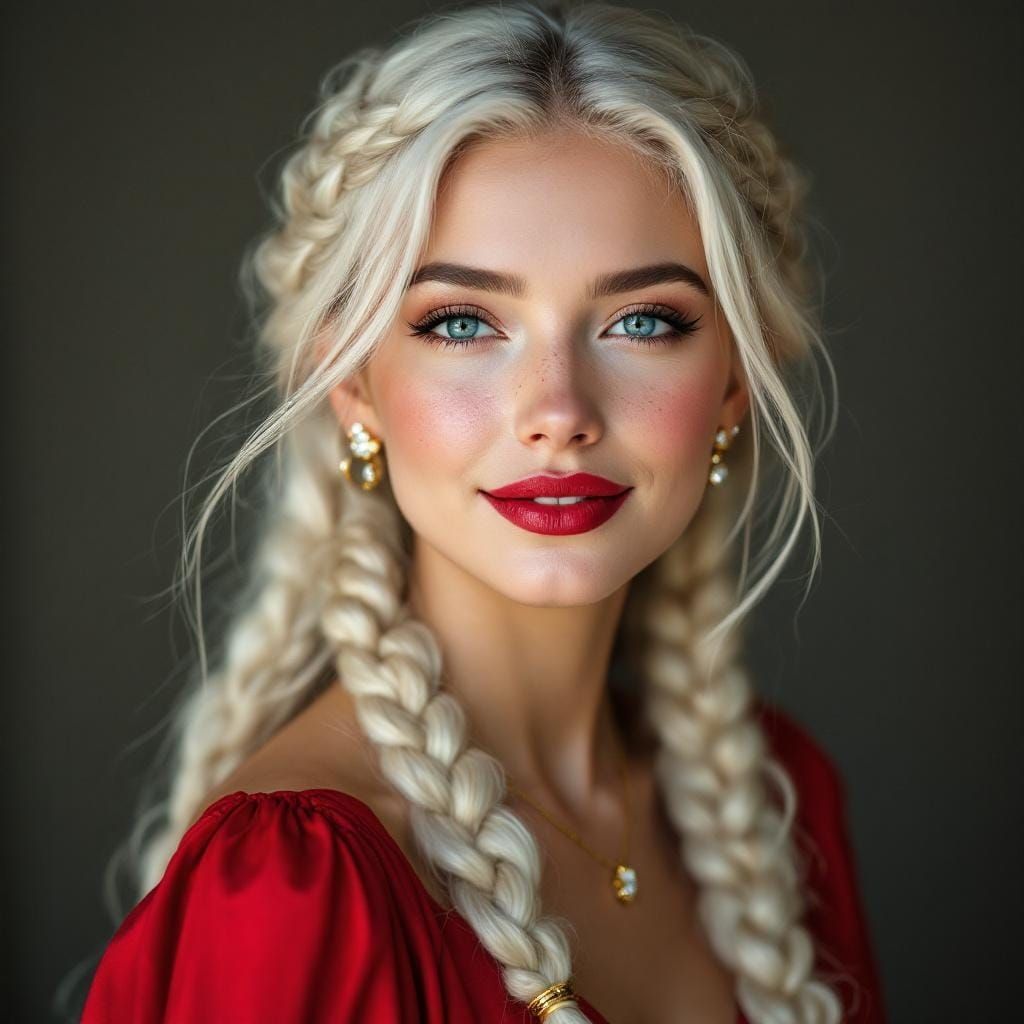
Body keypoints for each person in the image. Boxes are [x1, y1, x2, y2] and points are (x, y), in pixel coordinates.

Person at [75, 1, 887, 1021]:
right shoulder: (298, 886)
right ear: (352, 382)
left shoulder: (782, 807)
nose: (557, 413)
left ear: (734, 380)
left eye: (644, 320)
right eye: (462, 321)